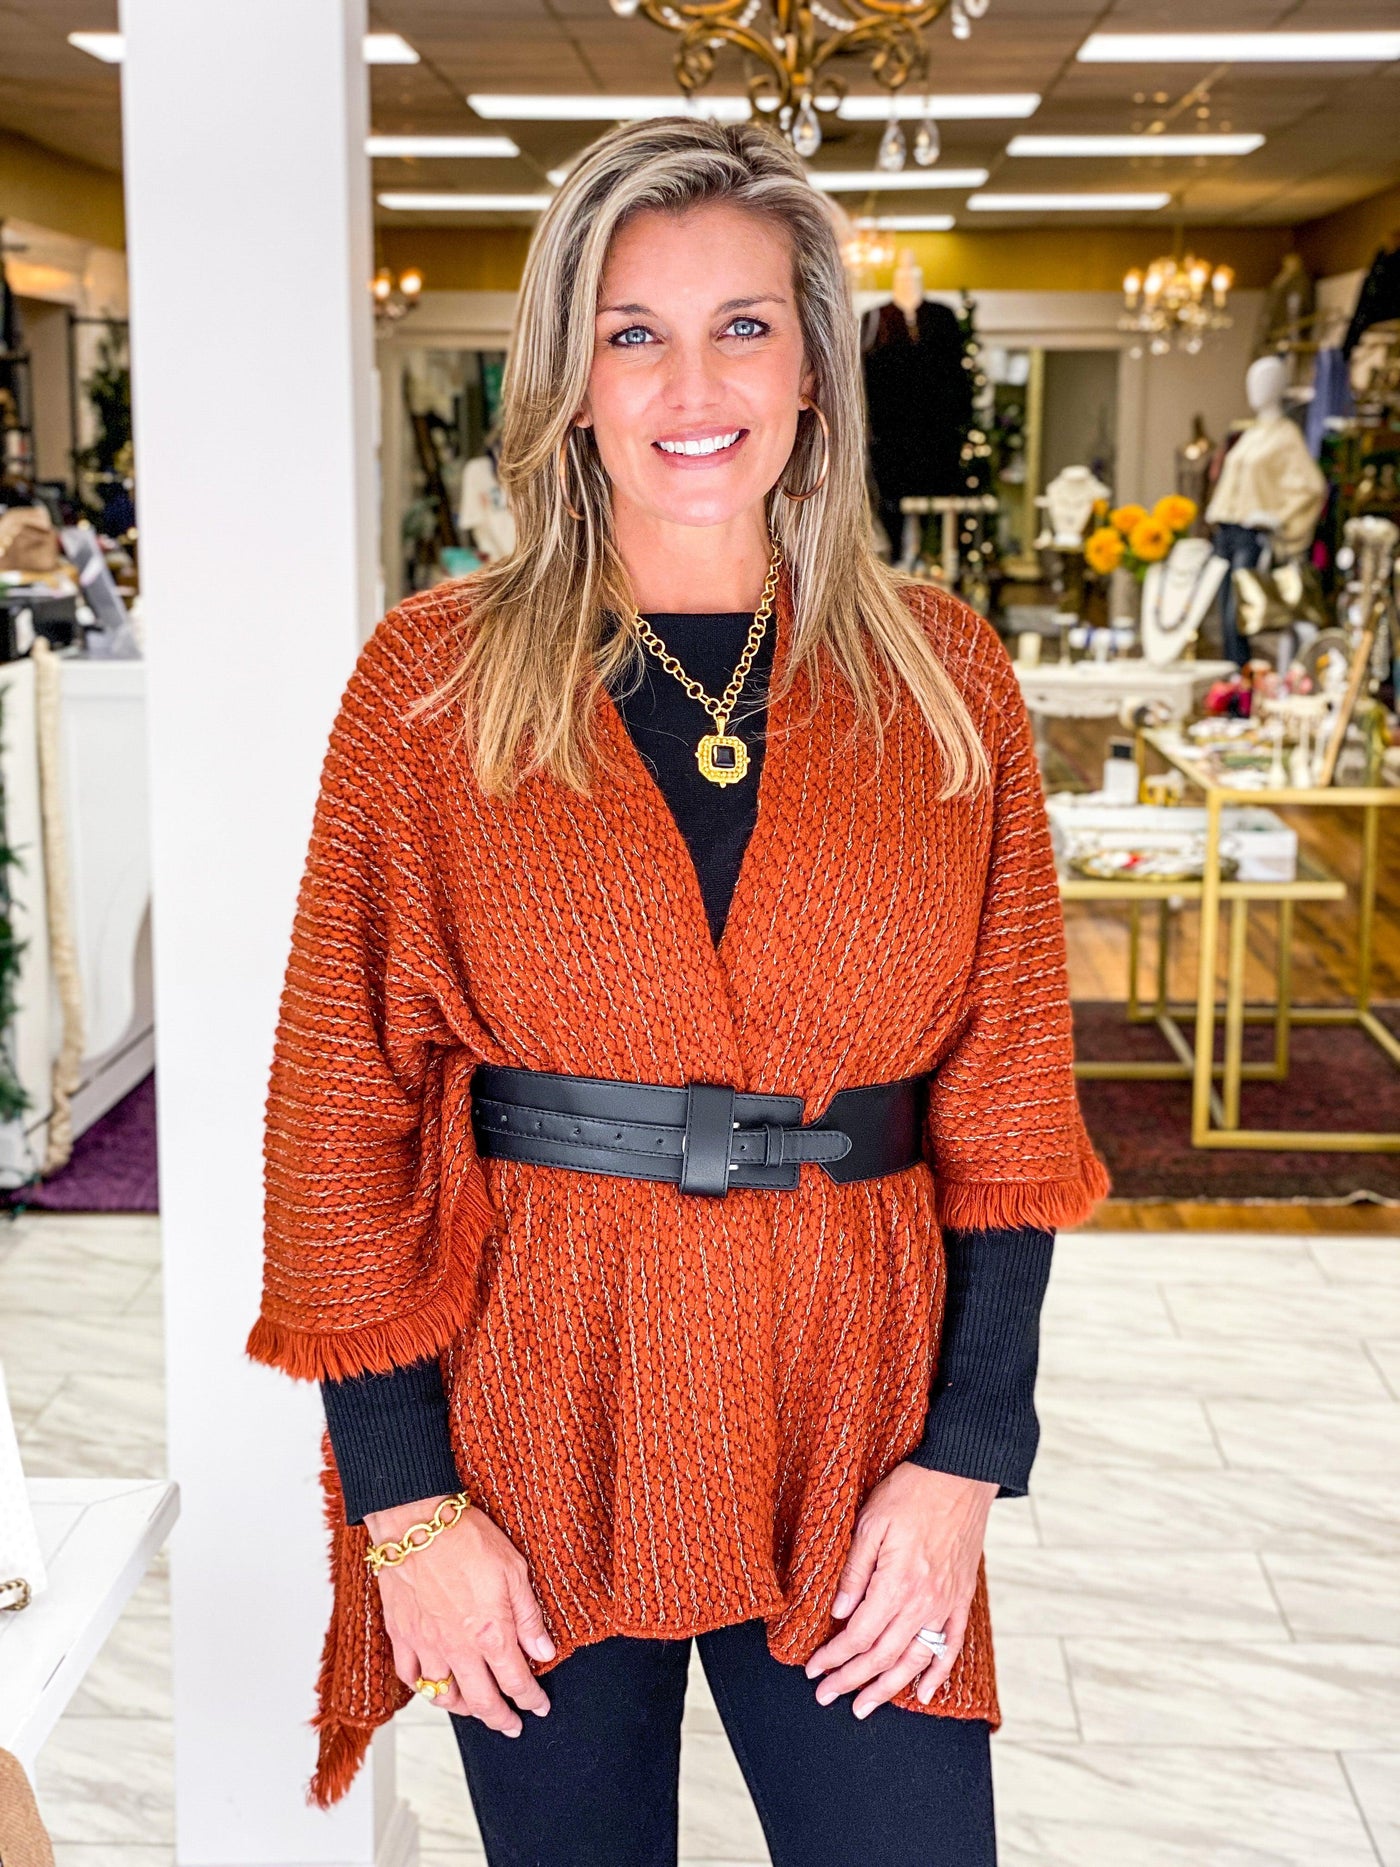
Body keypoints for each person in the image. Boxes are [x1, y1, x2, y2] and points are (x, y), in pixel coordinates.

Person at [246, 114, 1110, 1867]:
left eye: (744, 326)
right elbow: (340, 1118)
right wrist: (407, 1510)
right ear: (568, 377)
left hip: (860, 1411)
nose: (690, 385)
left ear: (812, 368)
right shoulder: (430, 686)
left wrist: (963, 1461)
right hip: (536, 1411)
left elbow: (1009, 1108)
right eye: (632, 331)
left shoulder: (945, 679)